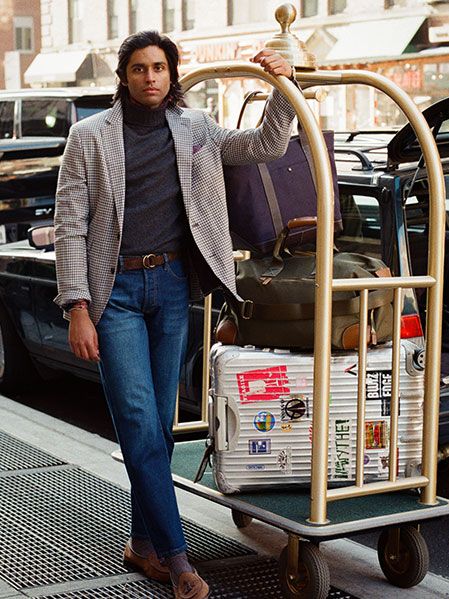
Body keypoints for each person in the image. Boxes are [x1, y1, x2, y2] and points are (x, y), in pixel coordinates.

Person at [54, 30, 297, 599]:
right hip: (112, 293)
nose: (150, 77)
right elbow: (70, 225)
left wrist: (282, 86)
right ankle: (177, 557)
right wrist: (77, 308)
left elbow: (266, 146)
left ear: (172, 73)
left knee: (159, 428)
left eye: (159, 67)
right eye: (139, 68)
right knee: (139, 423)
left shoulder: (196, 128)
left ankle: (142, 545)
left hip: (169, 288)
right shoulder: (90, 136)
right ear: (124, 76)